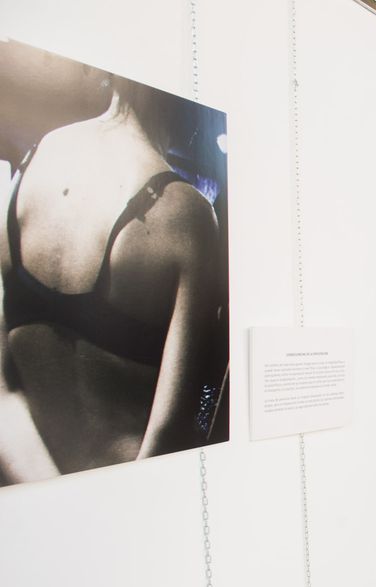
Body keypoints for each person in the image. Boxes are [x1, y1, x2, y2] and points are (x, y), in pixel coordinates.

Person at [0, 72, 225, 486]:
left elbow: (4, 389)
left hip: (27, 495)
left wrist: (47, 495)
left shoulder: (33, 163)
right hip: (126, 502)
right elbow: (170, 432)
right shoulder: (188, 214)